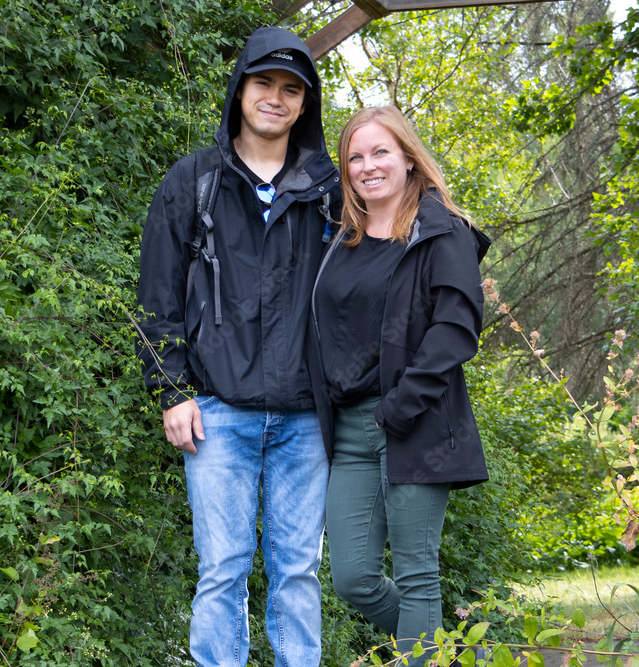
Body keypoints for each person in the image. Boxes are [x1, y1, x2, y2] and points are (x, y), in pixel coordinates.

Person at [136, 26, 341, 667]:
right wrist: (172, 391)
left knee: (298, 571)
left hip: (307, 416)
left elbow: (375, 276)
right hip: (216, 410)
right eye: (263, 83)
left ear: (304, 105)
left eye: (291, 89)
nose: (275, 98)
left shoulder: (330, 189)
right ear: (240, 89)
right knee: (222, 568)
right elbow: (157, 295)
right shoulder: (194, 180)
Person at [310, 105, 491, 665]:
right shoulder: (340, 240)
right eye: (355, 157)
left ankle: (431, 654)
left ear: (409, 158)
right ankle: (454, 656)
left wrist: (398, 408)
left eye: (380, 152)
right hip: (348, 431)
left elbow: (456, 330)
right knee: (353, 578)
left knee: (417, 576)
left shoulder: (443, 232)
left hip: (415, 422)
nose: (367, 166)